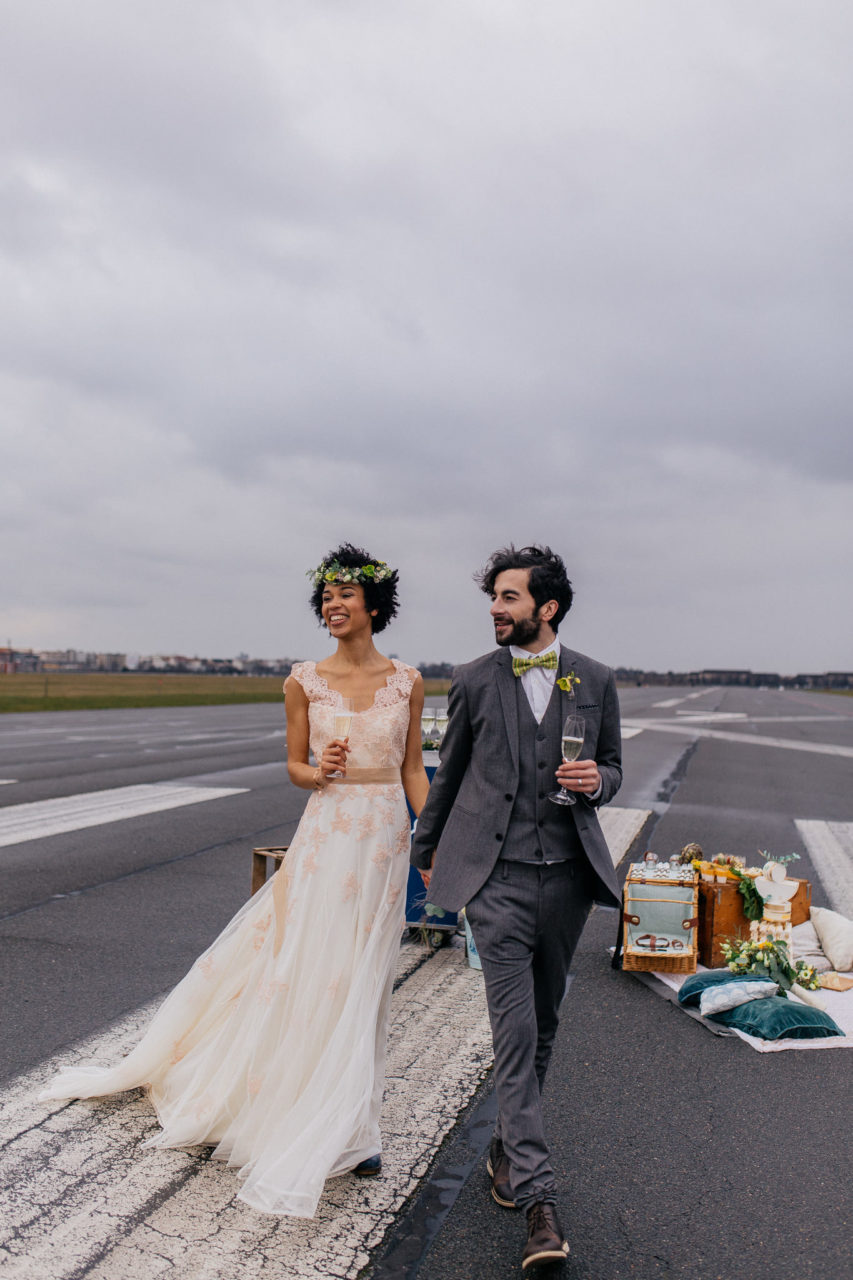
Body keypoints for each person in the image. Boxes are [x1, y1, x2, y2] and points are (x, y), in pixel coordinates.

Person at [40, 543, 429, 1218]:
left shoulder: (409, 681)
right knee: (317, 970)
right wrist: (321, 770)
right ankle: (306, 1113)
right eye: (325, 598)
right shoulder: (301, 679)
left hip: (385, 839)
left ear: (374, 604)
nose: (333, 606)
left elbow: (413, 768)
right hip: (330, 835)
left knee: (366, 979)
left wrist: (435, 836)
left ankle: (352, 1121)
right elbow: (294, 768)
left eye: (345, 595)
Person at [411, 544, 622, 1271]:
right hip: (494, 881)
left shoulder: (593, 680)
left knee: (543, 1027)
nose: (496, 610)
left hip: (565, 877)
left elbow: (614, 767)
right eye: (494, 598)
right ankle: (538, 1201)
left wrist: (599, 778)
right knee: (512, 1031)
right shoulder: (472, 680)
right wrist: (427, 846)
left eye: (507, 598)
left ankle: (507, 1148)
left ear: (547, 607)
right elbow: (452, 770)